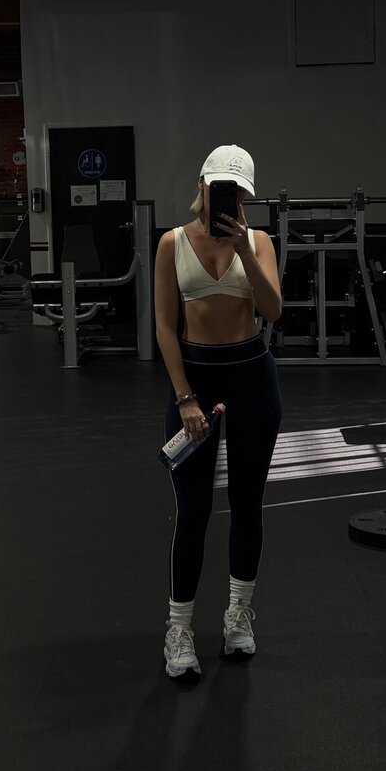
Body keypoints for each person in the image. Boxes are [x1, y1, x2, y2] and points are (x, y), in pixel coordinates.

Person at [154, 145, 283, 682]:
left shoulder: (260, 241)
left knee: (248, 503)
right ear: (202, 186)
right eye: (218, 188)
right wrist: (185, 397)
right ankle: (179, 628)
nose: (225, 198)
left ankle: (238, 615)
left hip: (252, 376)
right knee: (194, 508)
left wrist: (245, 250)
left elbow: (272, 310)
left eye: (236, 191)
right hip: (197, 379)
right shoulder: (172, 243)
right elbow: (165, 326)